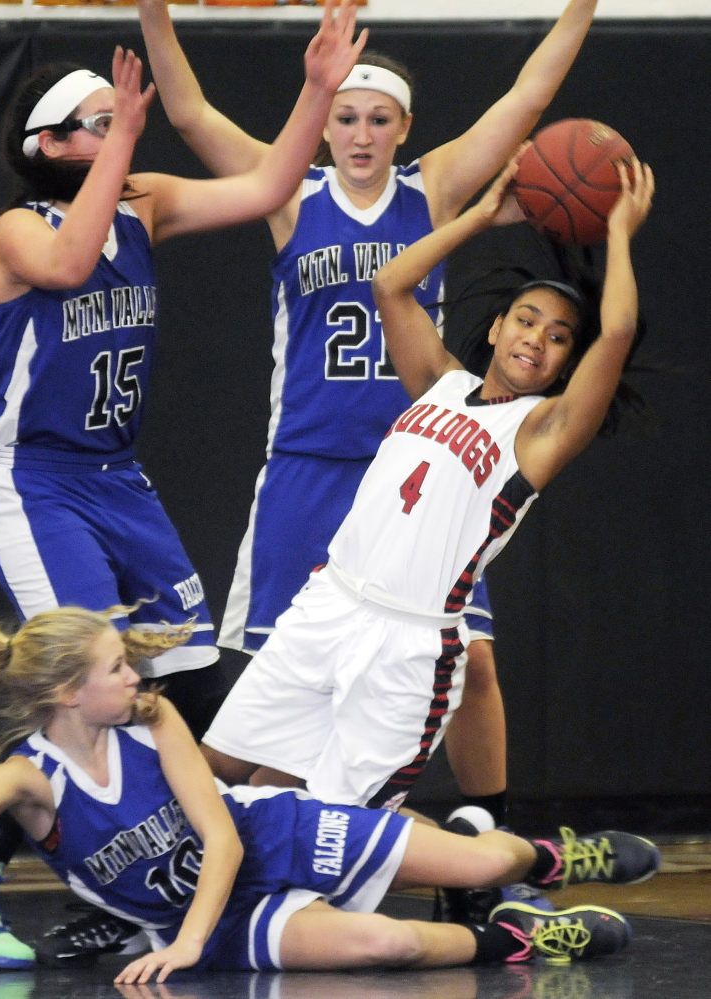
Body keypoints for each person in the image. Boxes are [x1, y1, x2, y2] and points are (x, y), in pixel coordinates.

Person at [0, 2, 369, 970]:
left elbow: (270, 185)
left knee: (188, 677)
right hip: (35, 483)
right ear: (51, 145)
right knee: (81, 677)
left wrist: (319, 88)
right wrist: (125, 137)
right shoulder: (17, 228)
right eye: (95, 120)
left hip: (119, 479)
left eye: (116, 117)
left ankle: (137, 887)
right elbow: (71, 262)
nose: (119, 126)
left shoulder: (147, 201)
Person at [136, 0, 600, 822]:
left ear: (404, 127)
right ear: (323, 127)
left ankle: (486, 828)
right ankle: (243, 834)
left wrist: (583, 7)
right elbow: (189, 112)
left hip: (425, 472)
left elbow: (526, 99)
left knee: (476, 661)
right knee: (270, 670)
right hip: (307, 466)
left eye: (378, 118)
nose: (359, 133)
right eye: (345, 116)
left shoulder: (437, 185)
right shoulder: (287, 191)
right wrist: (153, 14)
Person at [0, 606, 660, 981]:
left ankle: (549, 855)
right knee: (388, 949)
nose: (134, 672)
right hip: (217, 917)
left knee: (476, 856)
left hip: (264, 841)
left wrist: (181, 948)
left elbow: (221, 838)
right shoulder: (30, 776)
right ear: (70, 693)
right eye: (116, 666)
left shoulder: (153, 720)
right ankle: (512, 939)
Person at [202, 153, 654, 816]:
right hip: (329, 604)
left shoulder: (540, 431)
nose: (537, 339)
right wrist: (479, 218)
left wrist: (616, 232)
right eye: (526, 320)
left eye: (558, 338)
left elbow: (616, 332)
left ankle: (509, 863)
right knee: (223, 772)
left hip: (410, 642)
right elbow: (391, 284)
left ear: (565, 366)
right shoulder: (439, 381)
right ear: (496, 328)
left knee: (335, 824)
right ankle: (485, 852)